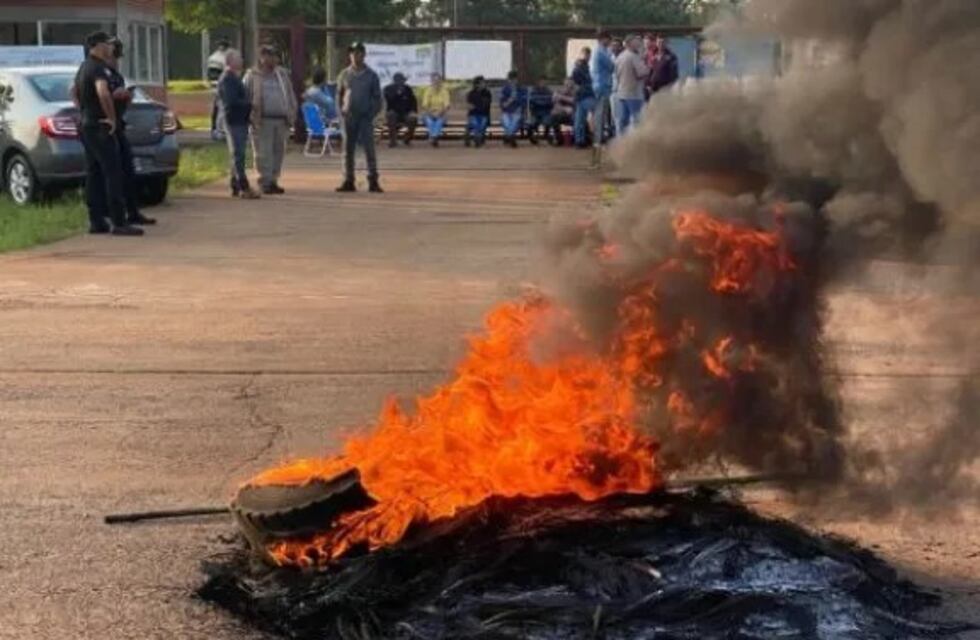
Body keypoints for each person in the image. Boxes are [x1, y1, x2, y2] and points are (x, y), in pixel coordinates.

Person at [75, 32, 142, 236]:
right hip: (101, 126)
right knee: (113, 172)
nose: (110, 48)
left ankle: (96, 221)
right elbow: (102, 92)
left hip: (87, 125)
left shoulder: (83, 67)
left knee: (94, 173)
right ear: (97, 45)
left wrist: (84, 111)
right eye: (106, 44)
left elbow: (75, 92)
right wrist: (112, 118)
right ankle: (119, 222)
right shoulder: (97, 68)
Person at [106, 37, 155, 226]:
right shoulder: (98, 72)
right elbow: (78, 92)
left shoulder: (116, 75)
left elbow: (123, 102)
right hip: (106, 128)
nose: (116, 60)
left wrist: (126, 97)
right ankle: (114, 215)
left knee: (128, 169)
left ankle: (133, 211)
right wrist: (114, 96)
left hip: (119, 125)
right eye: (113, 55)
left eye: (117, 56)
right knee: (113, 173)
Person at [243, 45, 296, 195]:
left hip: (281, 120)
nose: (272, 59)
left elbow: (290, 95)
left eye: (274, 55)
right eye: (268, 55)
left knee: (278, 152)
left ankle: (273, 180)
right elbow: (246, 96)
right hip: (262, 120)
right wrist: (250, 117)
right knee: (263, 153)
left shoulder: (282, 75)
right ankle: (264, 182)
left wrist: (292, 112)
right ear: (261, 57)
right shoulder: (252, 76)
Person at [336, 41, 383, 193]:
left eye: (358, 53)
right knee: (348, 150)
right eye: (353, 53)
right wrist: (341, 113)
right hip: (349, 118)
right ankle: (348, 180)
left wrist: (371, 113)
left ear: (364, 55)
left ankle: (373, 180)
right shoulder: (344, 74)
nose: (355, 56)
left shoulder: (372, 76)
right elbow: (339, 95)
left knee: (369, 149)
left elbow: (377, 98)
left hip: (365, 118)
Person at [219, 49, 259, 199]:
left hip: (239, 120)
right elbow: (231, 101)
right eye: (238, 58)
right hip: (234, 120)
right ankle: (244, 186)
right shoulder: (228, 79)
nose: (241, 60)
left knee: (237, 153)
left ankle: (235, 183)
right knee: (239, 154)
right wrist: (249, 104)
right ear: (230, 61)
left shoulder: (234, 78)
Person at [614, 34, 648, 135]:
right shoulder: (633, 57)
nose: (638, 43)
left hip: (622, 92)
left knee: (623, 120)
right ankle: (636, 143)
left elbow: (616, 74)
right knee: (637, 120)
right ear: (630, 43)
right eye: (635, 41)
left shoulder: (620, 56)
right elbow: (641, 73)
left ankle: (621, 143)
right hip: (634, 93)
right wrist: (648, 69)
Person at [590, 30, 615, 147]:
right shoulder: (601, 52)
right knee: (600, 115)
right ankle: (597, 140)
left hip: (602, 85)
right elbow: (611, 67)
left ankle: (598, 139)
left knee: (601, 114)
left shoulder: (602, 51)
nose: (610, 42)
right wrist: (611, 54)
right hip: (601, 86)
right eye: (609, 39)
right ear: (603, 39)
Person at [383, 72, 418, 148]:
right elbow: (389, 101)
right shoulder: (388, 89)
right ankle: (393, 141)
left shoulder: (408, 88)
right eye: (400, 81)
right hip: (394, 113)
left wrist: (413, 111)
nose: (402, 83)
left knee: (413, 118)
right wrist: (397, 93)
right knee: (391, 115)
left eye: (403, 81)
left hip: (406, 113)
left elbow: (413, 101)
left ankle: (407, 139)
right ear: (395, 81)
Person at [572, 46, 595, 148]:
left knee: (581, 120)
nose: (587, 56)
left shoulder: (587, 67)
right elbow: (574, 80)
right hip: (584, 96)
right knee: (581, 119)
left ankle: (581, 140)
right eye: (585, 54)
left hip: (584, 96)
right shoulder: (579, 67)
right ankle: (580, 140)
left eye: (588, 54)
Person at [420, 72, 451, 147]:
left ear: (441, 81)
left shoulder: (445, 91)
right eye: (434, 80)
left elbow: (447, 105)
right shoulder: (428, 91)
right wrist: (431, 113)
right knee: (429, 120)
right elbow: (425, 105)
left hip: (441, 113)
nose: (436, 82)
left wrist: (439, 113)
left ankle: (433, 137)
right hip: (429, 113)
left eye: (438, 80)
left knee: (439, 120)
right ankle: (435, 137)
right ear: (431, 81)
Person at [207, 40, 230, 139]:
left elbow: (210, 74)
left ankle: (215, 130)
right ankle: (218, 131)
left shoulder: (213, 57)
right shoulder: (222, 58)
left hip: (215, 86)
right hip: (220, 86)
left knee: (216, 109)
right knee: (220, 109)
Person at [499, 70, 526, 148]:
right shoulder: (504, 90)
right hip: (506, 112)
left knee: (515, 119)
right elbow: (502, 105)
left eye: (514, 79)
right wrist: (510, 100)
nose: (513, 81)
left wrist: (519, 107)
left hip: (517, 112)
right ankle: (511, 137)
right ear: (508, 80)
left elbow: (523, 103)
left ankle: (509, 136)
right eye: (511, 79)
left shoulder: (521, 89)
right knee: (507, 121)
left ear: (517, 79)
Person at [464, 75, 492, 148]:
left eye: (484, 83)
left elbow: (485, 105)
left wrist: (475, 106)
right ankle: (478, 138)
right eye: (482, 83)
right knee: (476, 123)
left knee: (481, 124)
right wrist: (477, 106)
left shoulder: (487, 93)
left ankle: (477, 138)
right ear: (477, 84)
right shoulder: (471, 93)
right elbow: (469, 106)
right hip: (473, 115)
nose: (484, 84)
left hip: (484, 114)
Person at [526, 76, 554, 145]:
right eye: (541, 82)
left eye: (544, 82)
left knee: (548, 122)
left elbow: (550, 102)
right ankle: (533, 139)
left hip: (546, 113)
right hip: (535, 113)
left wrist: (540, 102)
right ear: (538, 82)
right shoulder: (533, 91)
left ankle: (546, 135)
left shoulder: (549, 91)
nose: (543, 83)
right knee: (530, 124)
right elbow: (532, 101)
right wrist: (543, 102)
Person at [549, 78, 576, 146]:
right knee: (553, 116)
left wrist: (561, 97)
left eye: (570, 84)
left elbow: (574, 101)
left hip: (572, 115)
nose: (568, 86)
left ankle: (577, 138)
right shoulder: (558, 91)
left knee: (577, 117)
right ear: (564, 84)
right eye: (566, 84)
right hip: (561, 114)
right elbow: (555, 103)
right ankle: (558, 139)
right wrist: (565, 109)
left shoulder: (575, 92)